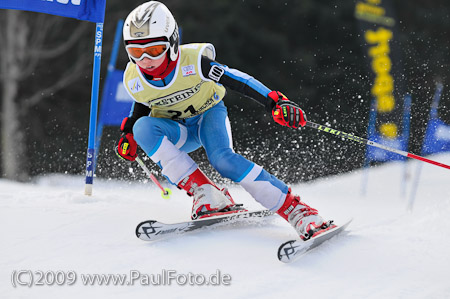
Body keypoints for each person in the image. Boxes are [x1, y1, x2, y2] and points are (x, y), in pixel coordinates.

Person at [116, 1, 332, 240]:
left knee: (222, 160)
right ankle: (207, 192)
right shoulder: (134, 77)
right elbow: (143, 103)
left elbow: (237, 79)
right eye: (136, 52)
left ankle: (297, 211)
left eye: (154, 50)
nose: (146, 59)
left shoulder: (194, 61)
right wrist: (128, 134)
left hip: (208, 116)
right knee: (142, 128)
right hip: (179, 130)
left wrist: (274, 101)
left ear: (173, 43)